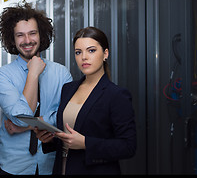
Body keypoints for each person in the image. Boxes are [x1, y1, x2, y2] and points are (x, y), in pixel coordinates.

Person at [36, 26, 137, 175]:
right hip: (62, 169)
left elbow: (128, 147)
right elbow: (68, 138)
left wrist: (85, 143)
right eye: (78, 52)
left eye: (91, 50)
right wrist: (49, 140)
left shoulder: (116, 95)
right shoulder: (68, 89)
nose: (84, 57)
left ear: (105, 54)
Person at [0, 1, 72, 175]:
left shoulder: (62, 73)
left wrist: (27, 127)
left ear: (41, 35)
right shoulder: (2, 76)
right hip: (14, 167)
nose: (27, 41)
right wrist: (33, 74)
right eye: (20, 35)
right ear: (12, 39)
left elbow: (67, 119)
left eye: (32, 33)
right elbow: (22, 118)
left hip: (51, 165)